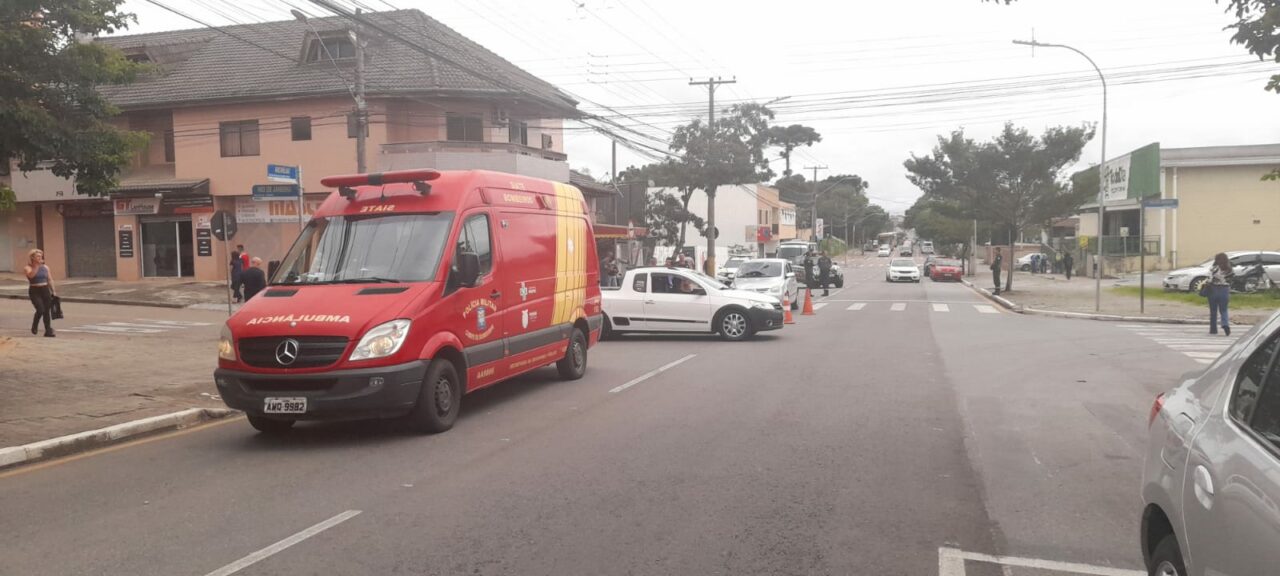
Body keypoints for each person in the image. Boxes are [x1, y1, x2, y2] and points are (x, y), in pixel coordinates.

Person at [24, 249, 56, 337]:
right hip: (34, 291)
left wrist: (53, 291)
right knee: (40, 309)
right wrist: (37, 266)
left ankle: (48, 331)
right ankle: (35, 325)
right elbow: (31, 275)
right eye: (38, 256)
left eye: (41, 256)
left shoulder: (45, 267)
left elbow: (49, 279)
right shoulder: (28, 267)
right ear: (32, 258)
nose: (40, 258)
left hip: (45, 289)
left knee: (46, 311)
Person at [1208, 252, 1234, 336]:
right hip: (1224, 290)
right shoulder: (1229, 269)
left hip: (1213, 290)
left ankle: (1213, 329)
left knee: (1213, 311)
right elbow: (1231, 280)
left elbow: (1209, 279)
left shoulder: (1214, 268)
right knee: (1224, 310)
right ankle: (1225, 324)